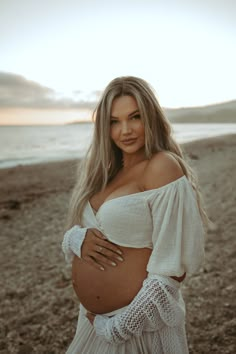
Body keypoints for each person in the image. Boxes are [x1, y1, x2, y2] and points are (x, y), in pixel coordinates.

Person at [62, 76, 206, 353]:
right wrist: (75, 239)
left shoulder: (162, 166)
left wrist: (119, 327)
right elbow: (89, 229)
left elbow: (172, 270)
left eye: (135, 117)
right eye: (114, 121)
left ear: (150, 117)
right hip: (91, 322)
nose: (125, 130)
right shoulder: (105, 172)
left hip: (138, 329)